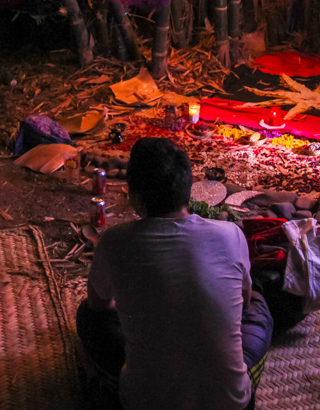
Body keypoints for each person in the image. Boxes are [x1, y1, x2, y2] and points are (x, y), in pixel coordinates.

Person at [77, 137, 274, 410]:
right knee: (259, 302)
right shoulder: (230, 234)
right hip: (230, 403)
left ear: (134, 196)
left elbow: (100, 305)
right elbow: (245, 301)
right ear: (189, 191)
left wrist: (137, 309)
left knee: (87, 315)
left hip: (143, 402)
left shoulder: (114, 241)